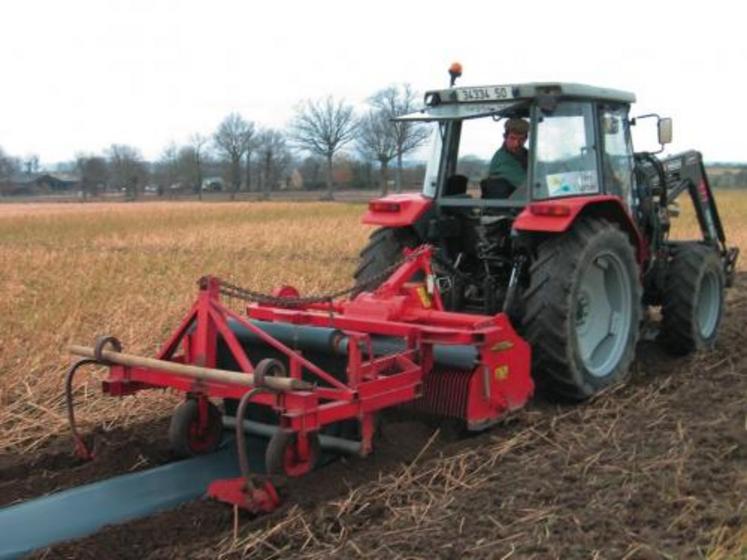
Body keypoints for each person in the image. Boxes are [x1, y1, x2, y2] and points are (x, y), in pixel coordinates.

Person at [485, 117, 529, 198]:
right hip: (508, 207)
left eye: (521, 139)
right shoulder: (502, 159)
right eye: (512, 138)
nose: (517, 144)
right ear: (505, 137)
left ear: (526, 139)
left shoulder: (526, 154)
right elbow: (528, 184)